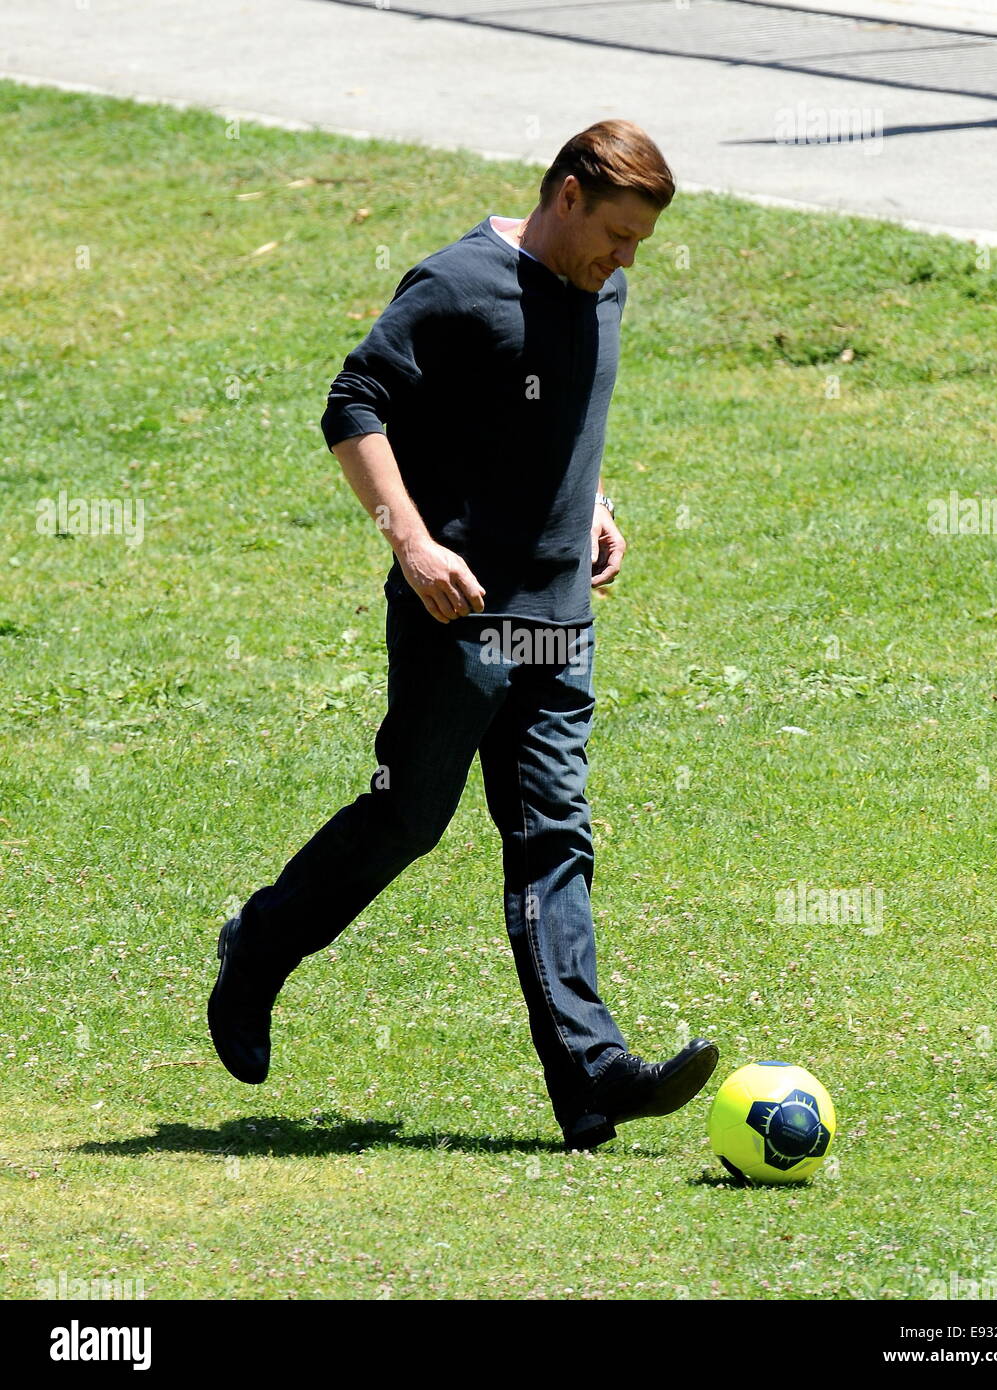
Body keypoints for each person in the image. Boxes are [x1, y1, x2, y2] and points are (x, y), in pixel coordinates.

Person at [209, 119, 719, 1149]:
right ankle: (257, 945)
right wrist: (411, 544)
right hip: (460, 615)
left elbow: (557, 415)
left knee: (553, 837)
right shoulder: (456, 286)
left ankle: (593, 1077)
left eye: (640, 246)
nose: (625, 261)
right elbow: (354, 405)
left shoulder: (602, 286)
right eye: (616, 235)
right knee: (411, 818)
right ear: (566, 195)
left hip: (557, 623)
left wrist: (597, 507)